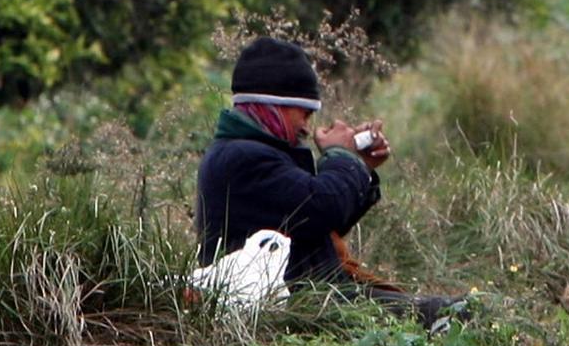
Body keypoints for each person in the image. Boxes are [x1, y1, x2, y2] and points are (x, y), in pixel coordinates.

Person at [196, 35, 457, 325]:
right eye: (304, 114)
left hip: (316, 299)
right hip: (303, 308)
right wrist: (341, 157)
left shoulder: (250, 152)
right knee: (456, 315)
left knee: (448, 313)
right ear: (275, 106)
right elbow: (324, 207)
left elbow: (316, 223)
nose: (307, 127)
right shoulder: (245, 158)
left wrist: (361, 166)